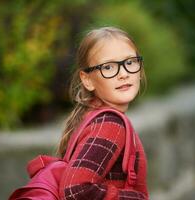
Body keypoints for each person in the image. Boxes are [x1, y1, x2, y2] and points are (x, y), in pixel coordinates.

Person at [56, 26, 148, 199]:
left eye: (129, 62)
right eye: (108, 67)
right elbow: (74, 190)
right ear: (87, 80)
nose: (123, 74)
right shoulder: (110, 124)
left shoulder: (91, 116)